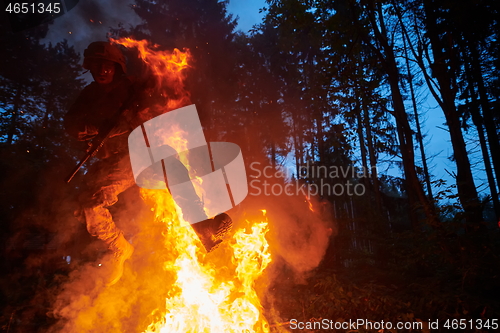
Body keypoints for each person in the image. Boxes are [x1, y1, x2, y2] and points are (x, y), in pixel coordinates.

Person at [65, 41, 232, 286]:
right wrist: (98, 127)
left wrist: (135, 113)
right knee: (89, 206)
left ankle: (203, 228)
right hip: (112, 162)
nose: (102, 70)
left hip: (139, 152)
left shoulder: (132, 88)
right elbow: (71, 125)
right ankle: (118, 247)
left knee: (168, 161)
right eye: (97, 65)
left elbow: (151, 107)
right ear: (89, 67)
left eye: (107, 65)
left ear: (117, 67)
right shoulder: (88, 96)